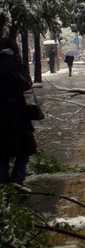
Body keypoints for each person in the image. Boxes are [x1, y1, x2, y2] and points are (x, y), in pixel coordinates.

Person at [0, 37, 37, 191]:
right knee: (26, 146)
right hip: (15, 113)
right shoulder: (14, 64)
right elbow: (26, 85)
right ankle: (17, 177)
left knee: (2, 150)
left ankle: (3, 182)